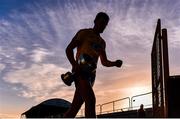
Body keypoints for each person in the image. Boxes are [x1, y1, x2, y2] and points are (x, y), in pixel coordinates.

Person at [63, 12, 123, 118]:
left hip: (92, 76)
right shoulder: (84, 33)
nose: (103, 26)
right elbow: (68, 49)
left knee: (74, 109)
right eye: (102, 23)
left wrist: (115, 63)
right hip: (80, 72)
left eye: (105, 25)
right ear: (95, 21)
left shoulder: (102, 42)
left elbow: (104, 62)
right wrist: (74, 64)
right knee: (90, 100)